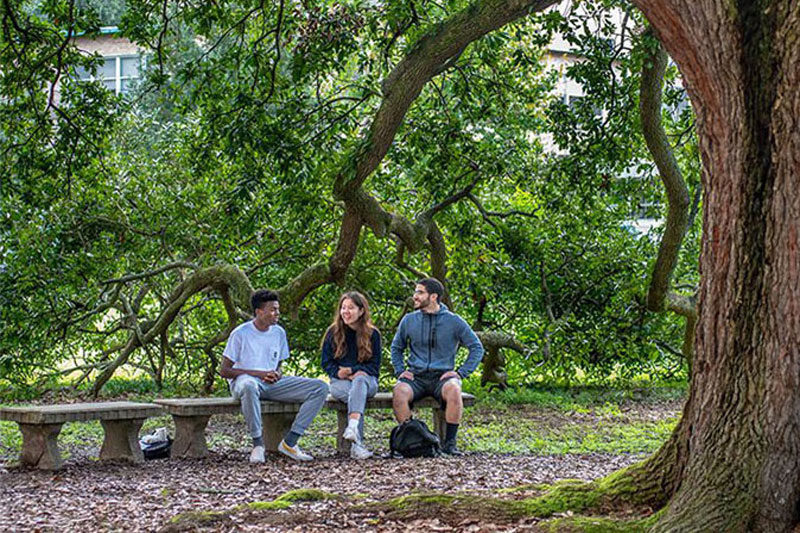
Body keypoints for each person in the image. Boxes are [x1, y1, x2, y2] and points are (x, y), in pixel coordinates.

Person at [220, 289, 329, 463]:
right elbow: (224, 370)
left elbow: (278, 363)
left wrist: (276, 374)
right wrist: (259, 374)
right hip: (244, 383)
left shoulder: (279, 332)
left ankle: (290, 442)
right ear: (259, 312)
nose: (277, 313)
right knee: (249, 385)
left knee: (320, 387)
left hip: (271, 384)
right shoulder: (240, 333)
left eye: (278, 309)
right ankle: (258, 445)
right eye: (273, 310)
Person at [391, 278, 484, 456]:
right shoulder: (409, 320)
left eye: (420, 292)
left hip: (442, 377)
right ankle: (412, 441)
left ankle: (450, 444)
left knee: (454, 390)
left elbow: (476, 347)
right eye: (415, 292)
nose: (415, 296)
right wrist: (400, 370)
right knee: (399, 391)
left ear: (433, 297)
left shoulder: (454, 321)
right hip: (416, 377)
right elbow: (396, 348)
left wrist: (460, 373)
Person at [321, 291, 381, 460]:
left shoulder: (372, 334)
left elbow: (375, 366)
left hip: (367, 382)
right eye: (343, 308)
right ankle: (356, 443)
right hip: (340, 383)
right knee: (356, 395)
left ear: (361, 311)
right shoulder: (333, 332)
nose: (346, 312)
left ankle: (353, 429)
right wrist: (339, 373)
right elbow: (326, 362)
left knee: (360, 383)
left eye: (351, 308)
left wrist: (354, 371)